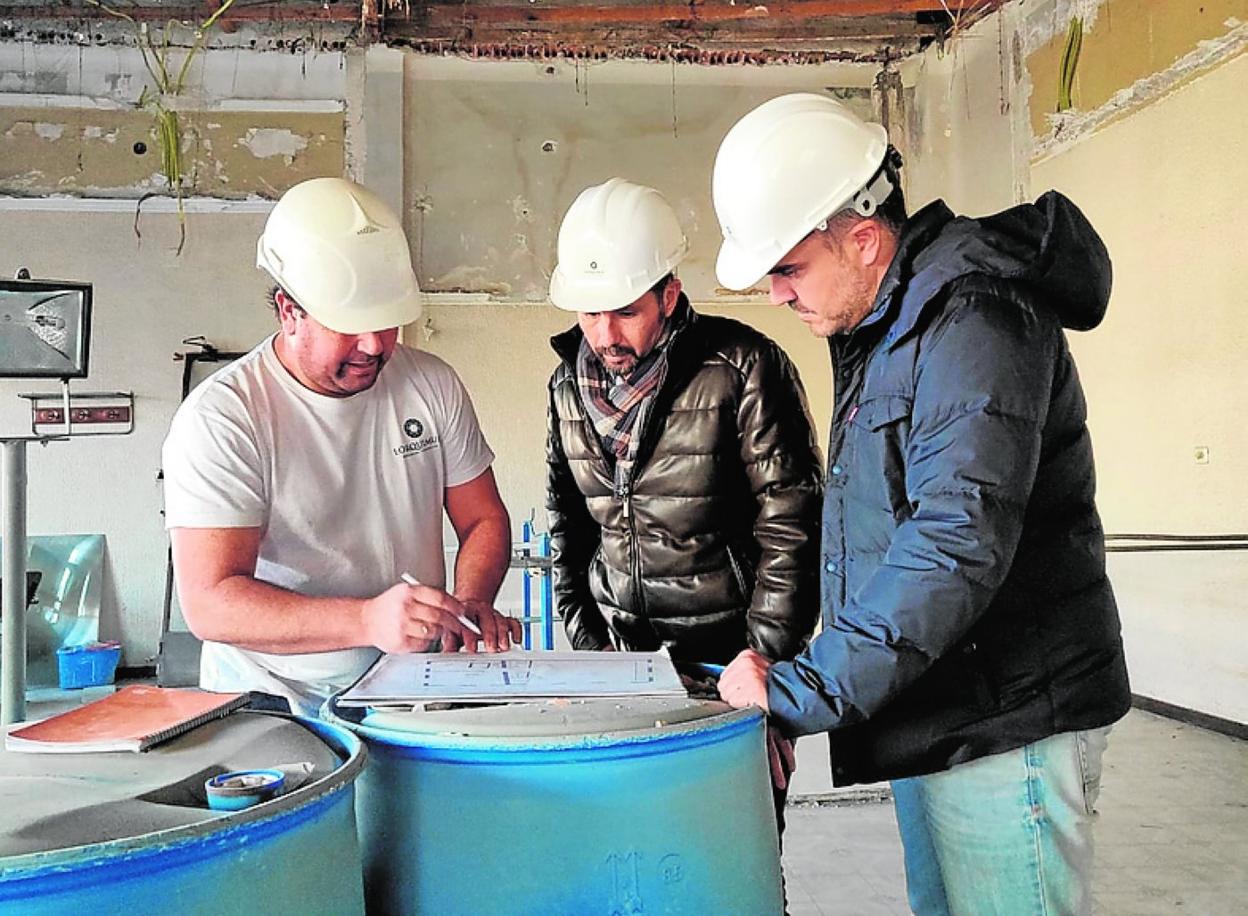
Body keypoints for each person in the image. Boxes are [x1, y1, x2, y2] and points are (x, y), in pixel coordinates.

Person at [711, 94, 1131, 915]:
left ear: (863, 239)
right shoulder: (888, 322)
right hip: (939, 707)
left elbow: (954, 540)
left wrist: (802, 690)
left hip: (1009, 724)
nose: (775, 295)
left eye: (789, 267)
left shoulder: (974, 318)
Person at [162, 177, 520, 717]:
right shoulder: (224, 418)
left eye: (387, 323)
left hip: (410, 685)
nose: (375, 346)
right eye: (350, 326)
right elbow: (212, 602)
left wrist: (470, 603)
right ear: (289, 312)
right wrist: (366, 620)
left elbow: (483, 520)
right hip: (270, 698)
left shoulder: (431, 385)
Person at [544, 177, 824, 802]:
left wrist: (766, 668)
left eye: (625, 310)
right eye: (590, 311)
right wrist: (595, 653)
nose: (605, 334)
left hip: (731, 671)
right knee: (632, 855)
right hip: (622, 669)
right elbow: (570, 527)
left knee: (728, 862)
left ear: (669, 294)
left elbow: (794, 526)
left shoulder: (744, 367)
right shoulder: (566, 390)